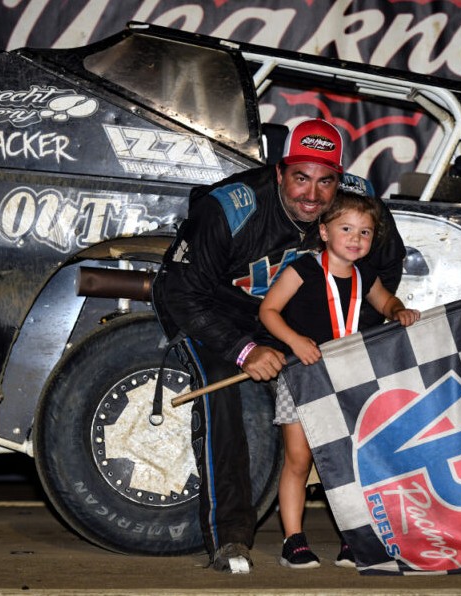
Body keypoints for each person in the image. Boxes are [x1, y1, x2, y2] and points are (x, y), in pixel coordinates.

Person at [151, 118, 405, 574]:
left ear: (339, 178)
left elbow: (385, 268)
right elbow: (181, 291)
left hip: (299, 329)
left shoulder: (357, 203)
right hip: (220, 316)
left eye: (325, 181)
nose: (312, 195)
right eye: (300, 178)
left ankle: (366, 531)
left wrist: (348, 331)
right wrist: (244, 350)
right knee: (222, 400)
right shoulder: (229, 207)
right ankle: (230, 538)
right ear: (278, 172)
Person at [259, 191, 420, 570]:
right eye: (346, 228)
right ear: (324, 231)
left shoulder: (366, 275)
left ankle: (353, 537)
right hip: (303, 378)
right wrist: (295, 341)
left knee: (350, 464)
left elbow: (386, 303)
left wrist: (399, 311)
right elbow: (268, 310)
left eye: (365, 232)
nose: (355, 238)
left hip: (348, 381)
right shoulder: (303, 270)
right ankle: (293, 541)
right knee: (299, 461)